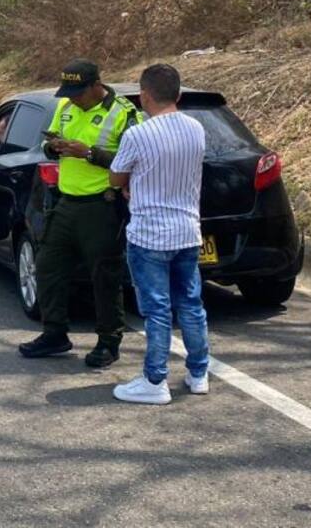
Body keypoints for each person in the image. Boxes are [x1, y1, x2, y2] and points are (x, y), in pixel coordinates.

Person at [18, 59, 142, 367]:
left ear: (96, 85)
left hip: (102, 204)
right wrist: (54, 147)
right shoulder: (66, 107)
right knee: (48, 267)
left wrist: (88, 153)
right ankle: (54, 334)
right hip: (66, 202)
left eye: (77, 92)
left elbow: (136, 160)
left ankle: (108, 342)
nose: (72, 98)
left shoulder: (124, 113)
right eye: (68, 92)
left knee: (104, 276)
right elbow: (48, 144)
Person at [109, 63, 210, 405]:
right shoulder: (196, 129)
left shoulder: (137, 135)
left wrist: (132, 185)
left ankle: (155, 380)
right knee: (191, 305)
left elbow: (116, 177)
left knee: (157, 310)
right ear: (178, 94)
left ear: (143, 96)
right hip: (188, 231)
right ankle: (198, 373)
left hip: (149, 234)